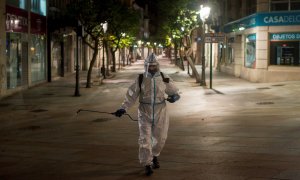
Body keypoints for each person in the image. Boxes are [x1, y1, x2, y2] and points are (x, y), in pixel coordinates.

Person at [115, 53, 180, 176]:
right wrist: (123, 108)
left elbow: (174, 90)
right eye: (149, 66)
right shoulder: (140, 79)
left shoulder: (163, 77)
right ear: (146, 66)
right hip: (144, 111)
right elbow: (131, 95)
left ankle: (155, 155)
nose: (151, 68)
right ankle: (147, 163)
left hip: (161, 110)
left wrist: (175, 96)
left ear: (157, 66)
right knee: (145, 138)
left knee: (160, 138)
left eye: (154, 66)